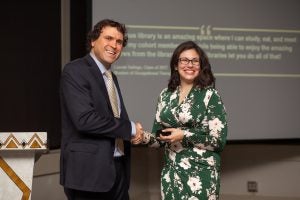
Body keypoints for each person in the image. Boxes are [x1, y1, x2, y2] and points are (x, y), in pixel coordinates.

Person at [59, 19, 143, 200]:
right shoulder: (75, 70)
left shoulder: (111, 78)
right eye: (109, 38)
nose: (114, 45)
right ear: (93, 41)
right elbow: (85, 120)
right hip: (88, 174)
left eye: (119, 42)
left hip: (118, 169)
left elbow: (112, 117)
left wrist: (135, 135)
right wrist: (131, 129)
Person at [141, 41, 228, 200]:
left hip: (201, 176)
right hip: (171, 175)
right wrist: (141, 137)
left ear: (201, 66)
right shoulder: (165, 95)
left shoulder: (210, 96)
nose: (190, 65)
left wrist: (184, 135)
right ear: (176, 65)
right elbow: (159, 139)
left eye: (195, 61)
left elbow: (218, 142)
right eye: (184, 60)